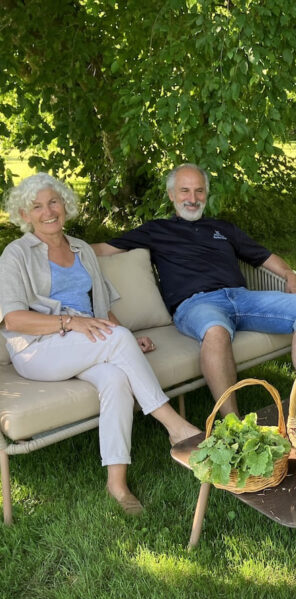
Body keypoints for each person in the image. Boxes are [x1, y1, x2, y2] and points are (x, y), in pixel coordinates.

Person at [0, 173, 201, 515]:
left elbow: (103, 309)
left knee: (116, 379)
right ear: (24, 215)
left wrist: (127, 342)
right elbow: (12, 319)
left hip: (86, 340)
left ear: (65, 205)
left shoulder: (80, 249)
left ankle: (117, 483)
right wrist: (70, 323)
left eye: (54, 202)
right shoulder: (16, 255)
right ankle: (175, 426)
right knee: (118, 342)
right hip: (38, 348)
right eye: (36, 206)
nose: (48, 211)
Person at [93, 164, 296, 416]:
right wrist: (56, 247)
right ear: (171, 195)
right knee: (215, 330)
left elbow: (264, 257)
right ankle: (233, 423)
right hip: (196, 304)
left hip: (242, 298)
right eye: (184, 191)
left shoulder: (223, 228)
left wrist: (290, 274)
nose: (192, 199)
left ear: (206, 194)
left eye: (199, 191)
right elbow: (103, 249)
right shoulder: (157, 230)